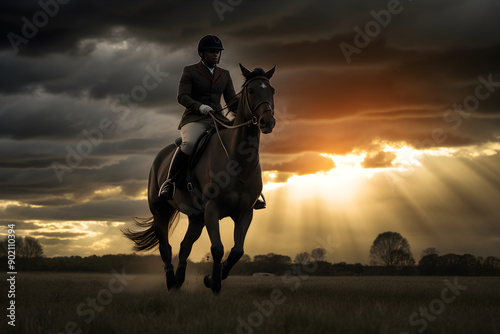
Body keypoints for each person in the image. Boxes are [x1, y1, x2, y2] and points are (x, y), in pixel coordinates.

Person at [159, 35, 266, 209]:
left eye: (217, 52)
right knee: (189, 143)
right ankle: (170, 182)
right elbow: (182, 96)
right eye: (212, 51)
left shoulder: (224, 74)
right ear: (202, 53)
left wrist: (250, 110)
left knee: (240, 141)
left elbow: (231, 101)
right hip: (194, 118)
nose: (215, 54)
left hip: (218, 119)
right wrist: (199, 107)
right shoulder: (190, 71)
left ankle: (251, 190)